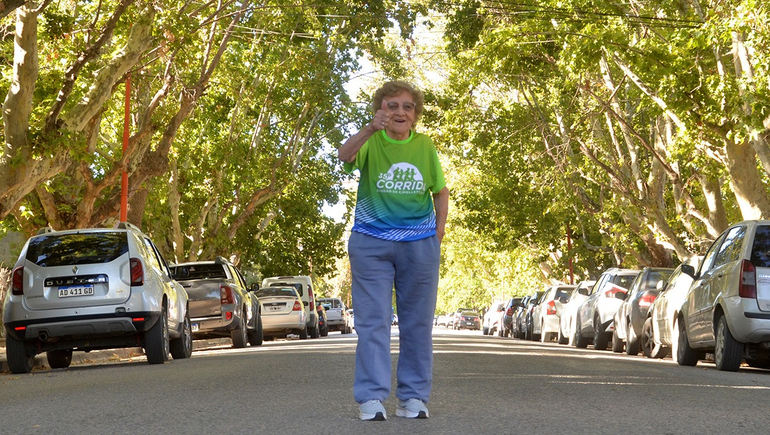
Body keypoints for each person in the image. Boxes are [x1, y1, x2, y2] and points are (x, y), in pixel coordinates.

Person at [338, 80, 449, 421]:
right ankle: (371, 398)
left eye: (407, 106)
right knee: (373, 322)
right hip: (371, 242)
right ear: (380, 110)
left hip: (419, 244)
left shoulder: (425, 146)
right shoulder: (371, 141)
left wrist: (438, 232)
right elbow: (344, 155)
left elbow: (440, 191)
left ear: (415, 114)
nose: (400, 111)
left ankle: (413, 397)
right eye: (392, 105)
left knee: (418, 324)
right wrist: (370, 129)